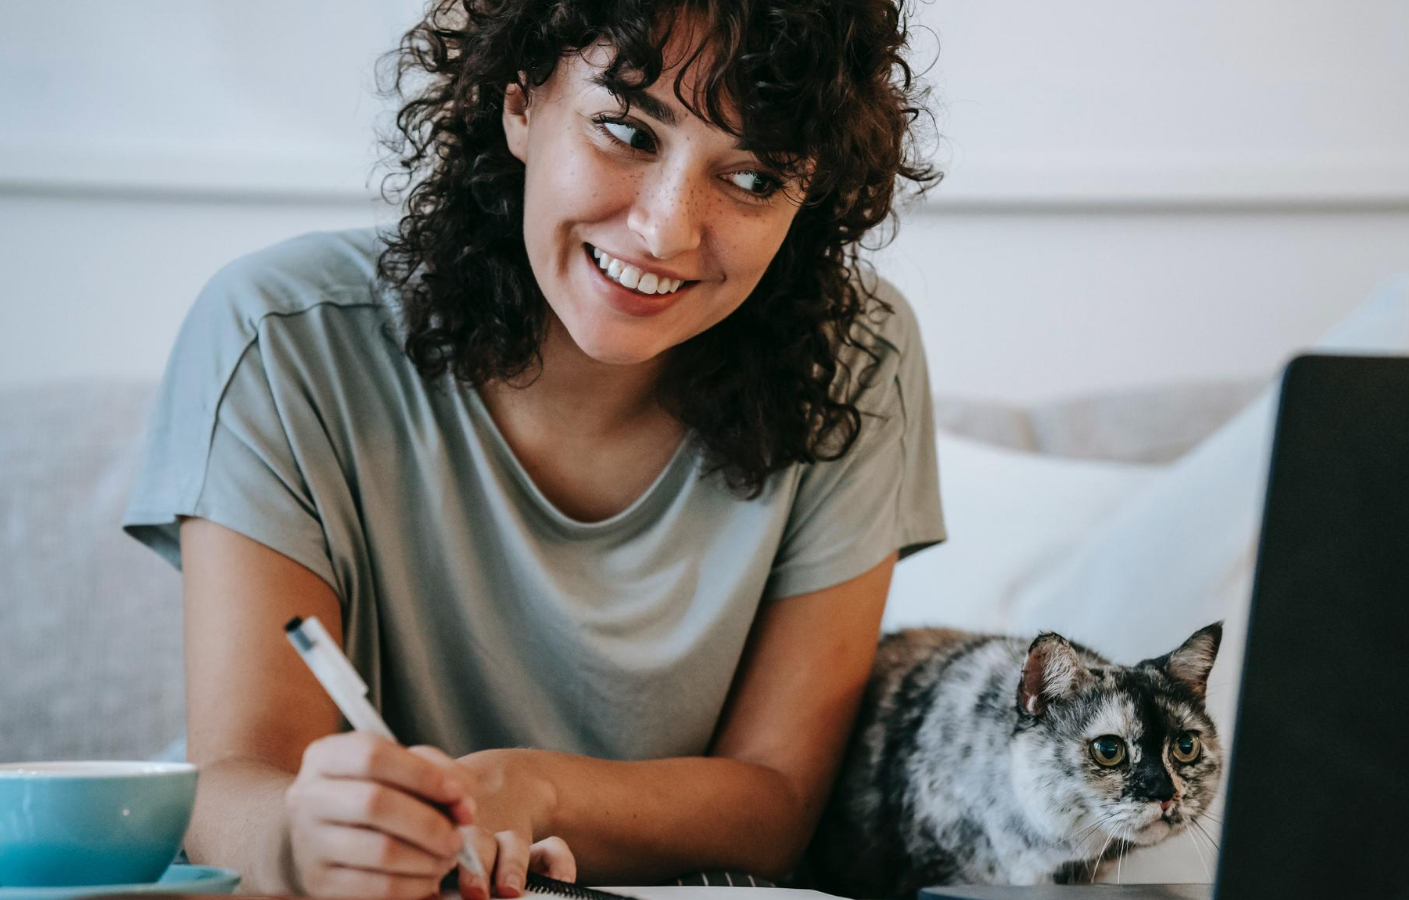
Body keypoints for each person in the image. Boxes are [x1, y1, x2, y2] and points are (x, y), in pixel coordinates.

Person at [122, 1, 943, 898]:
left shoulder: (858, 357)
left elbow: (777, 801)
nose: (666, 229)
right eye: (627, 130)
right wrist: (303, 845)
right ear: (520, 102)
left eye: (752, 180)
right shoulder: (279, 338)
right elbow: (236, 783)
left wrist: (532, 789)